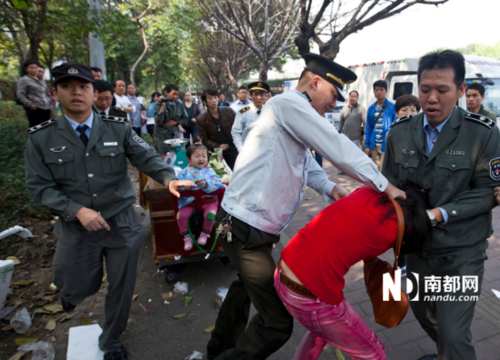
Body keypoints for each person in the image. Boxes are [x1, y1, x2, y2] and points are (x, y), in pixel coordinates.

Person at [206, 53, 405, 360]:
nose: (334, 103)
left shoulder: (289, 111)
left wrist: (331, 186)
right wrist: (385, 185)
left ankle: (217, 349)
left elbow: (305, 162)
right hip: (244, 228)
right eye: (332, 95)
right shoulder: (289, 105)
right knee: (276, 323)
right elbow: (335, 146)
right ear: (315, 82)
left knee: (243, 288)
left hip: (247, 225)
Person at [24, 63, 194, 360]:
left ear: (95, 93)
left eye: (84, 86)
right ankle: (71, 294)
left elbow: (147, 157)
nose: (76, 92)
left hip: (121, 223)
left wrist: (169, 178)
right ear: (55, 94)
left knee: (121, 286)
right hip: (76, 226)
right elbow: (40, 188)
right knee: (74, 283)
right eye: (67, 86)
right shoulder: (41, 138)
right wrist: (76, 210)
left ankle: (112, 340)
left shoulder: (118, 128)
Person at [382, 50, 500, 360]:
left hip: (461, 251)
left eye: (442, 90)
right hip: (418, 250)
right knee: (424, 315)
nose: (431, 98)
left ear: (460, 90)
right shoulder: (400, 132)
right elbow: (387, 185)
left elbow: (488, 191)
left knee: (453, 331)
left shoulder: (482, 133)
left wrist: (438, 214)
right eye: (425, 89)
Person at [277, 182, 432, 360]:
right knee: (373, 353)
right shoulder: (394, 226)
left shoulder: (367, 192)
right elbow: (420, 226)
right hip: (310, 297)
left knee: (320, 332)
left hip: (283, 270)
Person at [392, 93, 421, 275]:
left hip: (418, 194)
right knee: (400, 232)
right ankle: (400, 264)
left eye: (414, 110)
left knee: (416, 232)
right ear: (397, 113)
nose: (410, 113)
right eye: (405, 110)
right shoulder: (394, 134)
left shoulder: (425, 134)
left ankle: (413, 265)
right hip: (400, 192)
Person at [177, 144, 225, 251]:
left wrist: (207, 184)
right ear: (189, 159)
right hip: (191, 202)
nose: (201, 158)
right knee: (181, 215)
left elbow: (218, 182)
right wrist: (184, 186)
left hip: (209, 201)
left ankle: (205, 233)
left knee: (211, 214)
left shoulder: (209, 170)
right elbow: (177, 183)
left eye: (203, 156)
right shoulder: (184, 172)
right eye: (197, 156)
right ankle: (187, 236)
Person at [196, 89, 238, 170]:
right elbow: (204, 139)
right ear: (204, 102)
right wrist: (218, 146)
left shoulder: (228, 111)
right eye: (210, 98)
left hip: (234, 149)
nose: (214, 100)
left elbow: (239, 128)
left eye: (215, 97)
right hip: (216, 152)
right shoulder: (201, 119)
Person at [364, 80, 397, 170]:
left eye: (381, 90)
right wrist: (367, 145)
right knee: (376, 170)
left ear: (386, 91)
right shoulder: (371, 108)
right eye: (377, 90)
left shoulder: (392, 107)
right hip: (374, 145)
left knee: (384, 170)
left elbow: (395, 127)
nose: (379, 92)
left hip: (386, 145)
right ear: (374, 92)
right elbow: (369, 128)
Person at [231, 81, 269, 151]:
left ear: (265, 96)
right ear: (250, 96)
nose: (259, 98)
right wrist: (241, 149)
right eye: (256, 95)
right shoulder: (243, 112)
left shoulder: (269, 111)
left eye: (261, 95)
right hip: (249, 150)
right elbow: (236, 132)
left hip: (265, 150)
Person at [153, 84, 190, 155]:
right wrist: (163, 106)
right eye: (173, 94)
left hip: (175, 135)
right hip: (163, 136)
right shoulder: (159, 104)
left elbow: (186, 119)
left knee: (176, 157)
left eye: (177, 94)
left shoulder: (179, 104)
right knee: (165, 157)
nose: (175, 96)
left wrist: (176, 123)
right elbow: (158, 121)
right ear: (167, 93)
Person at [337, 90, 366, 174]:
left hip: (356, 137)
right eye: (351, 96)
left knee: (356, 155)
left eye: (355, 96)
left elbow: (365, 122)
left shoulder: (361, 109)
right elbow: (341, 122)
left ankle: (356, 172)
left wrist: (364, 133)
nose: (353, 98)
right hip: (346, 137)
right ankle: (344, 170)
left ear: (357, 98)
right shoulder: (344, 108)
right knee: (345, 155)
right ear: (349, 97)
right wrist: (338, 133)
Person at [17, 60, 53, 127]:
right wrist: (30, 104)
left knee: (46, 128)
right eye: (31, 68)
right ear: (26, 69)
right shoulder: (24, 80)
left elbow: (47, 93)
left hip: (46, 108)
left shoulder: (42, 80)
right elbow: (20, 94)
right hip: (36, 109)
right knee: (36, 129)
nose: (34, 69)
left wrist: (51, 103)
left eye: (35, 68)